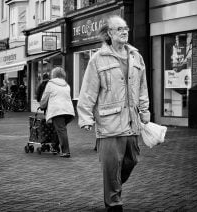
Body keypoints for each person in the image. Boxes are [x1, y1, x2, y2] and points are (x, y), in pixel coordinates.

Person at [77, 15, 150, 211]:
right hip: (109, 123)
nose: (125, 31)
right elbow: (88, 90)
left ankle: (113, 186)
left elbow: (142, 87)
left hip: (132, 121)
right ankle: (114, 202)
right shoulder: (98, 59)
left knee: (132, 160)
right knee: (111, 166)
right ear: (109, 33)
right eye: (119, 29)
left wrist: (145, 110)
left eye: (125, 28)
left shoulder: (136, 56)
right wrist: (85, 117)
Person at [39, 67, 75, 158]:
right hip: (68, 111)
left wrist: (42, 105)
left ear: (53, 74)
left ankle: (66, 151)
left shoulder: (51, 84)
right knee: (58, 129)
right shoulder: (67, 85)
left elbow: (45, 97)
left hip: (57, 111)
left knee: (61, 130)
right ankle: (54, 147)